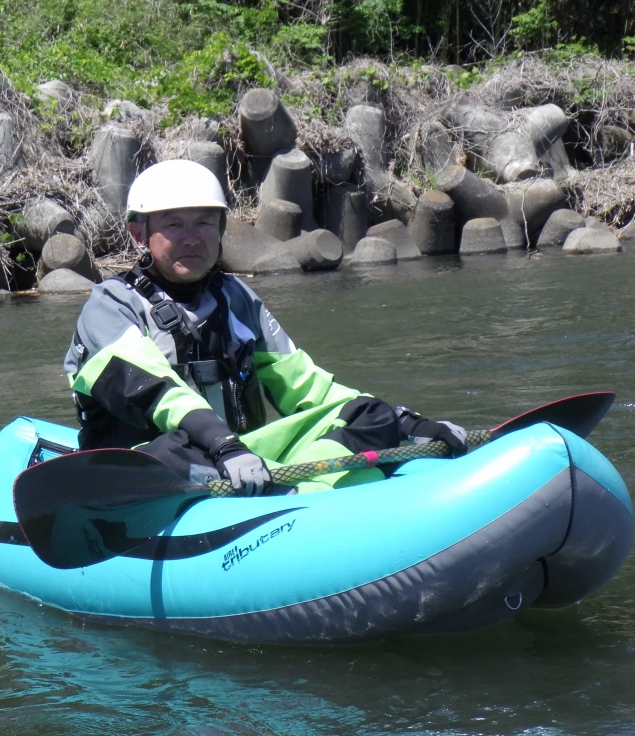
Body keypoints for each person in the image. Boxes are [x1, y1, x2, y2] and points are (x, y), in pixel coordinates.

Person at [63, 159, 469, 496]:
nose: (191, 238)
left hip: (241, 458)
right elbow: (157, 392)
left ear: (221, 230)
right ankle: (290, 493)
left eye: (204, 223)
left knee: (371, 416)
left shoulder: (235, 297)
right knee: (170, 450)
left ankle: (302, 494)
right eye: (173, 225)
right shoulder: (109, 306)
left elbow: (307, 385)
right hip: (163, 463)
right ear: (139, 234)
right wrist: (222, 445)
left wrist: (406, 422)